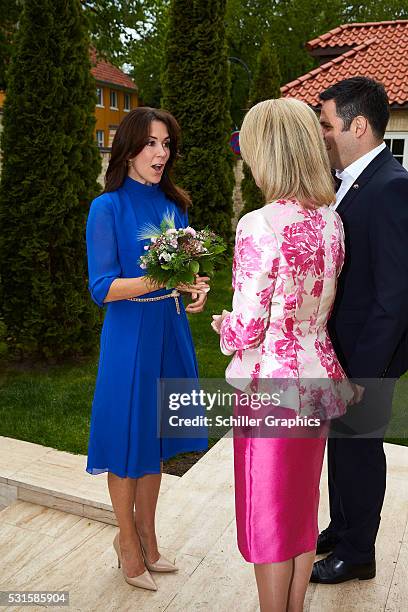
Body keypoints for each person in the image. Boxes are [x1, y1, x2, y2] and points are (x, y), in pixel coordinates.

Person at [212, 98, 353, 612]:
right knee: (299, 510)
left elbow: (246, 328)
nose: (245, 158)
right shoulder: (331, 221)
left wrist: (223, 325)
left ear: (268, 152)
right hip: (317, 386)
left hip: (271, 391)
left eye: (248, 147)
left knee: (269, 516)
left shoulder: (258, 224)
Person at [86, 107, 209, 591]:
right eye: (152, 143)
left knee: (155, 442)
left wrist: (191, 287)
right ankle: (127, 542)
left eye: (167, 144)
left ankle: (149, 537)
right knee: (126, 442)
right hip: (129, 336)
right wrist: (161, 277)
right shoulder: (107, 207)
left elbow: (177, 272)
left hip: (168, 329)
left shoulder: (174, 205)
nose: (162, 153)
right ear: (130, 148)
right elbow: (102, 287)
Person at [312, 77, 408, 584]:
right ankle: (343, 527)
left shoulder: (393, 187)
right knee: (341, 446)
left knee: (360, 450)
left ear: (359, 125)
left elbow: (395, 297)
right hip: (341, 350)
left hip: (370, 355)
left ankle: (359, 554)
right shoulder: (348, 181)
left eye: (328, 124)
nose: (323, 133)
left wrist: (363, 376)